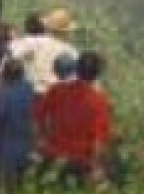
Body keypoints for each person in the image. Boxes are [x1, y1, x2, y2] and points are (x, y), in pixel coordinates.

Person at [33, 52, 111, 187]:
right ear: (96, 75)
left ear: (77, 68)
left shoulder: (57, 90)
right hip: (80, 163)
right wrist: (97, 167)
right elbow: (98, 140)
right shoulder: (99, 102)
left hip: (53, 155)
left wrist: (41, 139)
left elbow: (37, 116)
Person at [0, 59, 34, 191]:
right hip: (26, 141)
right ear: (22, 74)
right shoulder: (28, 88)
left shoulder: (3, 94)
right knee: (23, 180)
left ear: (5, 75)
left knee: (7, 183)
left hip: (7, 143)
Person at [8, 10, 78, 94]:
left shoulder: (34, 42)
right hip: (56, 96)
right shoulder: (72, 53)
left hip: (32, 93)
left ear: (48, 28)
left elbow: (12, 49)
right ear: (67, 31)